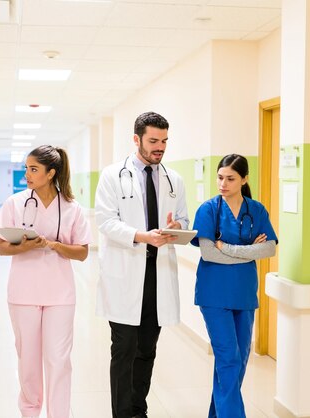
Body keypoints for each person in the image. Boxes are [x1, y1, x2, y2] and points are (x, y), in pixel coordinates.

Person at [94, 111, 189, 418]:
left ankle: (138, 410)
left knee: (147, 349)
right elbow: (105, 221)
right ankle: (121, 414)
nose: (160, 147)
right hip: (125, 273)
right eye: (153, 141)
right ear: (136, 139)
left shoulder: (174, 179)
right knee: (123, 350)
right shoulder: (112, 175)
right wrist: (141, 236)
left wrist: (176, 228)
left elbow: (184, 220)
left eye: (164, 141)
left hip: (157, 276)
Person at [0, 145, 91, 418]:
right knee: (28, 362)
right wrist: (25, 246)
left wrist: (53, 245)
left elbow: (82, 252)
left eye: (33, 169)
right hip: (23, 294)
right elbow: (1, 247)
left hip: (60, 295)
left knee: (59, 361)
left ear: (51, 173)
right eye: (26, 168)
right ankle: (29, 412)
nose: (27, 174)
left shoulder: (72, 208)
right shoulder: (15, 203)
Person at [191, 154, 278, 418]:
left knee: (239, 360)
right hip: (214, 294)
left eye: (230, 178)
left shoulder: (256, 210)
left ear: (244, 179)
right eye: (220, 177)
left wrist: (229, 248)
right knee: (228, 357)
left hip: (243, 293)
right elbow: (208, 253)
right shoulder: (209, 210)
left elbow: (269, 249)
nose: (223, 183)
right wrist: (249, 250)